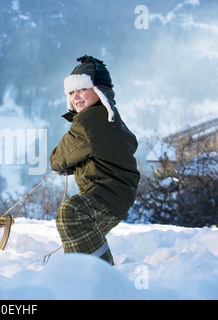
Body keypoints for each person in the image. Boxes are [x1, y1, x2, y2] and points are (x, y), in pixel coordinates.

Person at [49, 55, 140, 265]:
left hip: (106, 193)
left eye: (82, 89)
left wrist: (63, 165)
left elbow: (58, 159)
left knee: (72, 213)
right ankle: (80, 273)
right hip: (120, 194)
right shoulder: (109, 116)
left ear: (99, 90)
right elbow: (117, 147)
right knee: (80, 230)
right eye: (71, 92)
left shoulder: (88, 122)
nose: (76, 97)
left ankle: (102, 276)